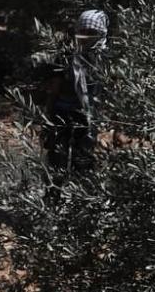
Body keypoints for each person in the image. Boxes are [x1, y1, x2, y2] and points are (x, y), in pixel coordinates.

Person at [43, 9, 108, 180]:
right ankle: (53, 193)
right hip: (62, 112)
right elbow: (55, 87)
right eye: (82, 31)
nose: (85, 36)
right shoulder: (67, 55)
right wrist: (48, 115)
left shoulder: (105, 58)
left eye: (91, 32)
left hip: (89, 117)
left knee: (84, 159)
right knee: (57, 158)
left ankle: (81, 191)